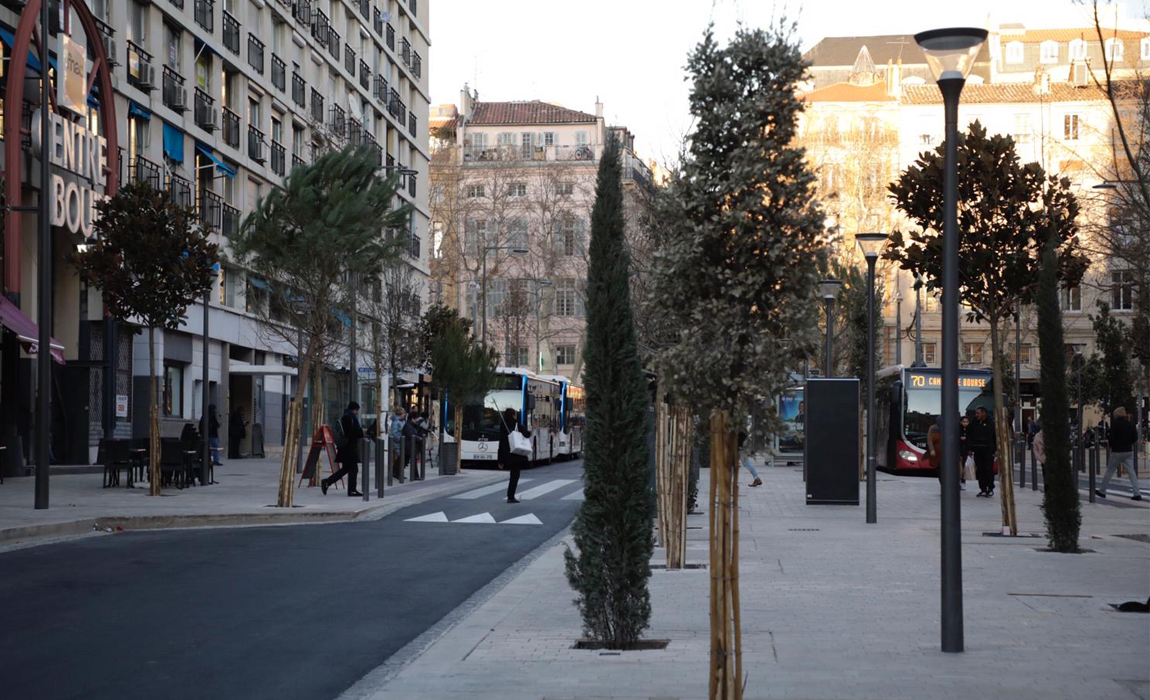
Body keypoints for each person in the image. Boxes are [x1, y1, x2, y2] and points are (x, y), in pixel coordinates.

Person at [1096, 407, 1142, 501]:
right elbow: (1135, 437)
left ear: (1116, 415)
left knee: (1110, 471)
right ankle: (1137, 493)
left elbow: (1111, 438)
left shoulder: (1115, 424)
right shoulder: (1130, 424)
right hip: (1128, 451)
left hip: (1117, 451)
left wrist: (1113, 446)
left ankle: (1102, 491)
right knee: (1131, 472)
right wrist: (1128, 443)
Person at [323, 401, 364, 496]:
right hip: (349, 448)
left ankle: (327, 482)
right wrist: (360, 432)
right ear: (354, 409)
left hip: (346, 448)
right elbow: (351, 433)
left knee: (346, 469)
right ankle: (352, 490)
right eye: (357, 410)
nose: (357, 412)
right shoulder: (349, 418)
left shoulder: (346, 416)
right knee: (353, 469)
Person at [498, 407, 531, 503]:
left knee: (512, 476)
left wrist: (500, 460)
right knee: (515, 476)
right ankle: (510, 496)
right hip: (516, 454)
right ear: (513, 415)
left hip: (507, 455)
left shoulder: (503, 426)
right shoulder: (517, 424)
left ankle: (510, 496)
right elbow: (527, 434)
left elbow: (501, 444)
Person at [968, 406, 997, 498]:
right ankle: (983, 489)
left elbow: (995, 437)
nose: (976, 415)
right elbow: (970, 435)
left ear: (984, 413)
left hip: (988, 450)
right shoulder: (974, 422)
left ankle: (990, 488)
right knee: (980, 470)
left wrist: (996, 449)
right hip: (977, 450)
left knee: (988, 469)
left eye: (978, 413)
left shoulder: (991, 423)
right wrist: (970, 448)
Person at [389, 407, 407, 481]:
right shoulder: (396, 422)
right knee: (401, 458)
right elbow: (394, 433)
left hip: (402, 442)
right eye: (404, 413)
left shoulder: (402, 421)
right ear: (400, 414)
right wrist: (401, 440)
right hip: (398, 443)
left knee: (402, 458)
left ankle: (397, 472)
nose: (405, 414)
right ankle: (396, 473)